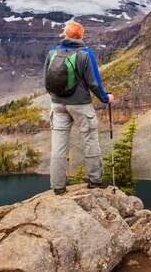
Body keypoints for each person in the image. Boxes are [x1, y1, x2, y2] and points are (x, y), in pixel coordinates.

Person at [44, 21, 114, 194]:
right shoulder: (85, 54)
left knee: (59, 144)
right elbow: (94, 83)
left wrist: (57, 97)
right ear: (81, 36)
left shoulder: (52, 52)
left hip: (57, 105)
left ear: (66, 35)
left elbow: (46, 81)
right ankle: (95, 181)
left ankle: (58, 187)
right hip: (81, 105)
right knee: (90, 140)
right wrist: (106, 99)